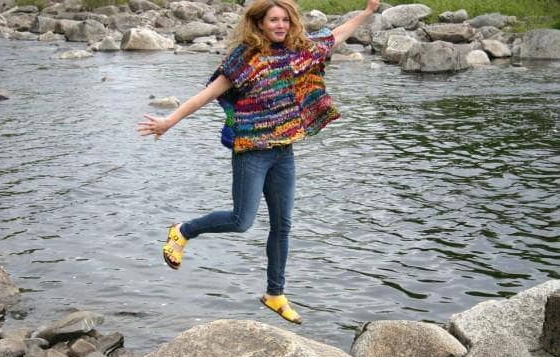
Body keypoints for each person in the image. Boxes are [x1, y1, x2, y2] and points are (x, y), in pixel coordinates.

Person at [137, 0, 380, 325]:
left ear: (291, 22)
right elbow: (207, 94)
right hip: (251, 150)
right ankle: (182, 231)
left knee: (283, 225)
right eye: (273, 20)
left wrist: (366, 13)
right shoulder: (245, 58)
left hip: (283, 151)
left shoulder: (300, 52)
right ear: (260, 23)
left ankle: (275, 294)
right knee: (242, 220)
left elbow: (335, 35)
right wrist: (169, 121)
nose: (279, 25)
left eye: (284, 19)